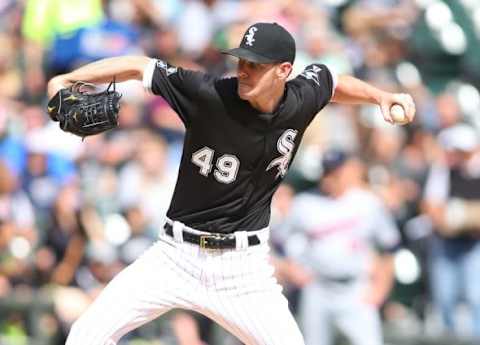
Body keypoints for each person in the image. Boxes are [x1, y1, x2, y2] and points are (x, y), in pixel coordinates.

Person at [47, 22, 415, 345]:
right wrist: (65, 80)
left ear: (284, 70)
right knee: (86, 335)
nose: (243, 71)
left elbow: (333, 83)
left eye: (255, 65)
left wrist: (380, 96)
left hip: (243, 269)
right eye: (241, 61)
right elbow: (139, 66)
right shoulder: (208, 95)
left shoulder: (301, 98)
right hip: (174, 256)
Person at [278, 150, 401, 345]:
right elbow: (278, 242)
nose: (330, 178)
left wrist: (381, 288)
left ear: (348, 171)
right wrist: (290, 269)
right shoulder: (304, 204)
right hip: (317, 288)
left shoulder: (367, 203)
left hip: (356, 288)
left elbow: (390, 246)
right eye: (326, 172)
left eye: (335, 172)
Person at [422, 123, 480, 337]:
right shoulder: (443, 169)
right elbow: (431, 205)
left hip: (474, 244)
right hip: (446, 242)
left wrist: (470, 217)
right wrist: (449, 220)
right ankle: (450, 338)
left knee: (476, 296)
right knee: (444, 297)